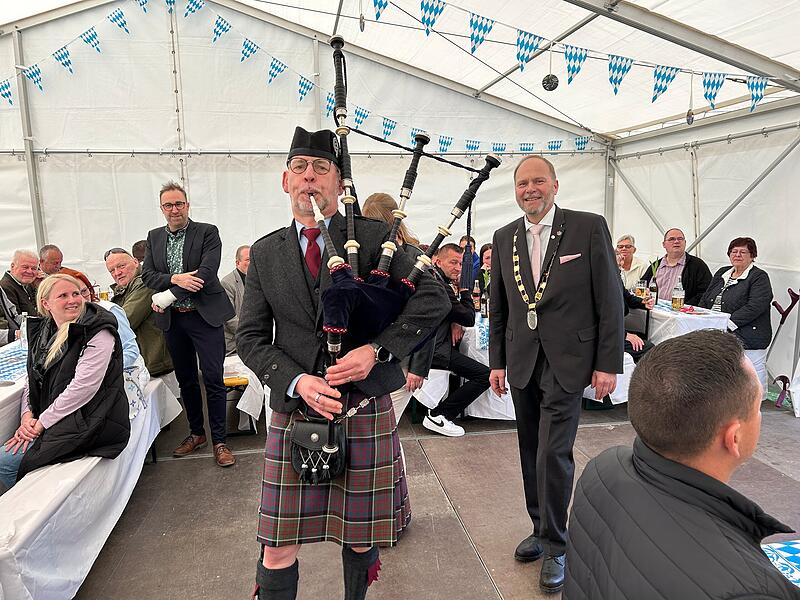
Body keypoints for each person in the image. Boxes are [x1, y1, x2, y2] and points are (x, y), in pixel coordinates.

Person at [236, 126, 448, 600]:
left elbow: (434, 297)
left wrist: (378, 350)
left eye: (321, 168)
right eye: (299, 168)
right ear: (285, 181)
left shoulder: (374, 238)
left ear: (338, 181)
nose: (309, 177)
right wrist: (296, 381)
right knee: (276, 546)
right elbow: (250, 338)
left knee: (360, 537)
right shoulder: (266, 252)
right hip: (296, 411)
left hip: (362, 406)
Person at [564, 330, 799, 599]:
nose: (759, 417)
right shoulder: (751, 589)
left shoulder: (604, 468)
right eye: (756, 408)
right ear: (733, 437)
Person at [489, 155, 624, 592]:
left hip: (569, 361)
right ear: (515, 190)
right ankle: (539, 526)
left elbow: (610, 299)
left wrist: (607, 363)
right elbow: (498, 307)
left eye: (538, 181)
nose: (530, 189)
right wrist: (497, 361)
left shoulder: (588, 227)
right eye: (522, 183)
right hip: (522, 359)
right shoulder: (504, 236)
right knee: (530, 448)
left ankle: (556, 544)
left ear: (555, 185)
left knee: (553, 452)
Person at [0, 274, 130, 495]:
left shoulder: (98, 331)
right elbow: (32, 378)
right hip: (65, 416)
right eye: (63, 296)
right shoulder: (43, 330)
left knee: (6, 461)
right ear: (46, 304)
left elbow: (83, 389)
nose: (73, 300)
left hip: (93, 419)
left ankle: (36, 509)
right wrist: (26, 416)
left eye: (76, 293)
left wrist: (41, 423)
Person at [141, 182, 236, 467]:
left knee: (213, 378)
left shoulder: (207, 232)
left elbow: (206, 273)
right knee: (186, 380)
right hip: (174, 321)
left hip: (203, 317)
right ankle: (197, 434)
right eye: (168, 205)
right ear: (161, 208)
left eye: (179, 204)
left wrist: (167, 295)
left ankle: (220, 441)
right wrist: (175, 279)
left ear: (187, 205)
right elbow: (147, 275)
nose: (174, 210)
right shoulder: (154, 237)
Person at [361, 192, 434, 420]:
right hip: (372, 359)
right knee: (375, 429)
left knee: (384, 425)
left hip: (402, 360)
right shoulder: (369, 254)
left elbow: (428, 314)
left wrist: (418, 367)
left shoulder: (414, 257)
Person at [423, 243, 490, 437]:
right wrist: (465, 290)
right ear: (438, 261)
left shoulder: (436, 278)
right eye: (453, 262)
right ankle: (440, 414)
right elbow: (468, 318)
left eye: (460, 264)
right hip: (434, 351)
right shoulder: (439, 285)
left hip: (436, 345)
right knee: (484, 375)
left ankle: (450, 411)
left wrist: (454, 321)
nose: (458, 268)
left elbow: (456, 313)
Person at [698, 237, 773, 396]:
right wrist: (700, 316)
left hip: (747, 333)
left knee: (750, 374)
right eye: (734, 251)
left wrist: (728, 324)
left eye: (743, 252)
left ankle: (755, 401)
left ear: (752, 255)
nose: (737, 255)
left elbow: (756, 305)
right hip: (718, 329)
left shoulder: (758, 277)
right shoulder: (722, 272)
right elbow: (706, 297)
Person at [105, 248, 173, 377]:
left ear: (136, 262)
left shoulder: (145, 282)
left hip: (154, 364)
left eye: (121, 266)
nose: (117, 273)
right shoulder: (127, 285)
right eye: (112, 271)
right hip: (145, 363)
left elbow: (125, 320)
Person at [642, 228, 711, 305]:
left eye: (680, 239)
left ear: (685, 243)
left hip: (682, 311)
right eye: (671, 239)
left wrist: (685, 307)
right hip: (653, 310)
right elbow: (643, 286)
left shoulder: (698, 265)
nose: (676, 241)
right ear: (664, 244)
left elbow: (707, 292)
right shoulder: (655, 266)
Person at [221, 245, 250, 356]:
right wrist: (248, 335)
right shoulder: (227, 283)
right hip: (234, 343)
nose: (252, 263)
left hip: (252, 338)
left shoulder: (256, 279)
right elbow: (229, 318)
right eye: (248, 259)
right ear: (237, 263)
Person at [1, 249, 39, 315]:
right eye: (25, 267)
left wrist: (40, 287)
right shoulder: (6, 288)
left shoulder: (25, 285)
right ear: (12, 266)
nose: (30, 271)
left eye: (34, 268)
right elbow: (16, 319)